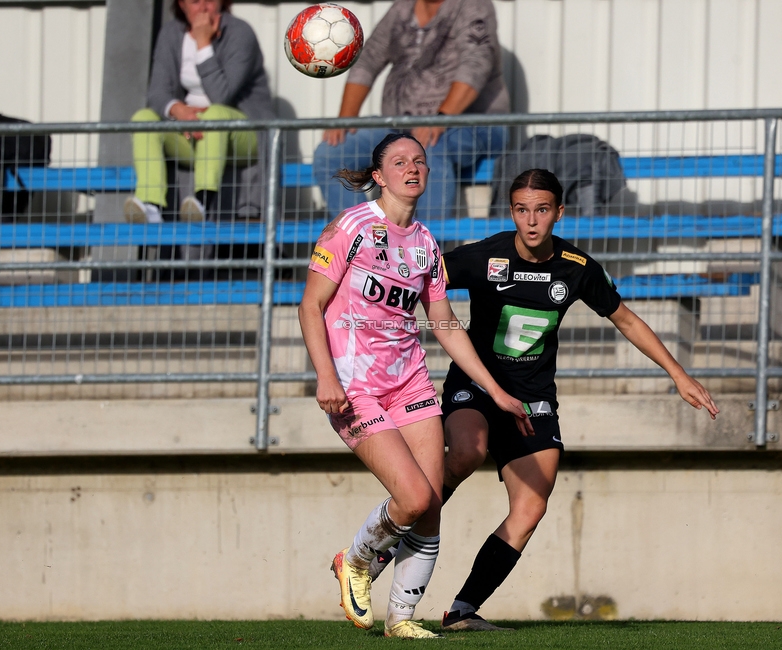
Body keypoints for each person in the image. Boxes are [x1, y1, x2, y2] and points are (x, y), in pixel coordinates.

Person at [370, 168, 720, 631]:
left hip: (533, 399)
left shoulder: (577, 268)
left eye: (541, 210)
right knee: (467, 453)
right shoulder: (486, 256)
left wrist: (678, 373)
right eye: (521, 209)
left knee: (532, 507)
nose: (531, 220)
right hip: (475, 386)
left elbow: (627, 320)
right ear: (511, 211)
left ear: (559, 212)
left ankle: (462, 610)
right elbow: (419, 280)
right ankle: (386, 542)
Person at [298, 133, 532, 639]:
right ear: (378, 176)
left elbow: (445, 323)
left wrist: (493, 389)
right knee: (412, 498)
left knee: (430, 505)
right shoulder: (350, 226)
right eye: (400, 162)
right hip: (354, 384)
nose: (413, 168)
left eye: (420, 161)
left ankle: (401, 619)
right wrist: (325, 375)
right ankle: (354, 560)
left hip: (410, 383)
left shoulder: (426, 243)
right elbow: (310, 305)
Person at [313, 0, 509, 221]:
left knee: (425, 148)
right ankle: (367, 241)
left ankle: (427, 249)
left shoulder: (474, 6)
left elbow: (476, 66)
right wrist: (345, 119)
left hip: (475, 125)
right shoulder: (402, 9)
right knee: (330, 153)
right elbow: (367, 61)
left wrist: (440, 119)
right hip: (401, 126)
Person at [125, 0, 274, 225]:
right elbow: (156, 93)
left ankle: (203, 201)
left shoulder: (240, 32)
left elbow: (222, 95)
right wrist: (179, 111)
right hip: (192, 128)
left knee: (215, 115)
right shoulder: (171, 33)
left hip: (245, 133)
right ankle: (150, 205)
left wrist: (203, 43)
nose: (204, 7)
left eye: (211, 0)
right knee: (143, 118)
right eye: (195, 1)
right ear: (181, 5)